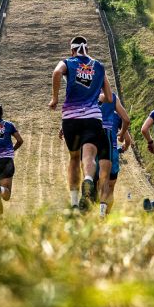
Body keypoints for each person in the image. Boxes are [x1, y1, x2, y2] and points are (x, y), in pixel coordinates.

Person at [49, 36, 113, 212]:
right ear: (87, 49)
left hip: (70, 119)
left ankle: (75, 203)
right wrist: (94, 96)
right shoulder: (99, 67)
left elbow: (56, 73)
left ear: (72, 50)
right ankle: (89, 180)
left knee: (74, 158)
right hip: (92, 118)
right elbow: (108, 97)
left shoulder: (68, 62)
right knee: (90, 156)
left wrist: (55, 98)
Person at [94, 92, 131, 217]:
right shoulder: (117, 116)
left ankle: (96, 210)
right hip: (112, 151)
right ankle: (106, 214)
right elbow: (128, 140)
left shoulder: (89, 100)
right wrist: (123, 146)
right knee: (110, 188)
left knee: (98, 183)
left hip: (93, 147)